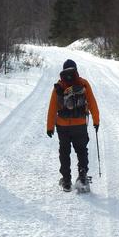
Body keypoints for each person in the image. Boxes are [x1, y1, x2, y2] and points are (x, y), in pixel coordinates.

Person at [46, 59, 100, 192]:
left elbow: (52, 107)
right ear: (76, 69)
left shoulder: (59, 86)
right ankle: (82, 177)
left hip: (62, 125)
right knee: (81, 150)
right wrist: (96, 120)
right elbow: (92, 102)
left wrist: (50, 127)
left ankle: (66, 181)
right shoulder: (83, 83)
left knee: (64, 151)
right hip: (80, 124)